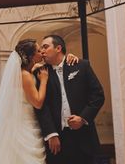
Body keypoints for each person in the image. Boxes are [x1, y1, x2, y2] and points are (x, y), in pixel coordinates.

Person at [0, 39, 79, 164]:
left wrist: (69, 56)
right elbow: (37, 102)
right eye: (38, 50)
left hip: (31, 122)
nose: (42, 52)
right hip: (24, 126)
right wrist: (44, 80)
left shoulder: (30, 70)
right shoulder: (25, 75)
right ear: (31, 56)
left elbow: (55, 62)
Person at [36, 34, 104, 164]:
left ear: (58, 48)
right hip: (56, 139)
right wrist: (51, 133)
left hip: (83, 135)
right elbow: (41, 106)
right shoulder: (40, 73)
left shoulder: (81, 66)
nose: (42, 51)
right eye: (40, 49)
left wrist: (83, 118)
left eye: (45, 47)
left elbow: (98, 95)